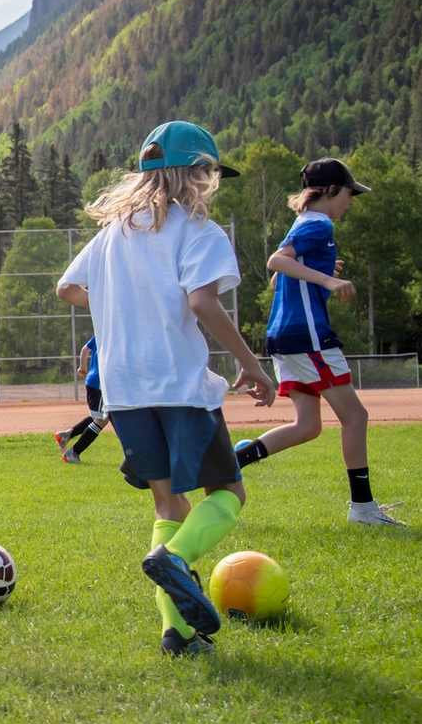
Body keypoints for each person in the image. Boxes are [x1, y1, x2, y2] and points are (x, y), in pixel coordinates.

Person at [55, 120, 275, 657]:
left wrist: (120, 305)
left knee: (166, 506)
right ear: (195, 173)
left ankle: (176, 635)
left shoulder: (112, 234)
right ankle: (176, 563)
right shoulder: (199, 231)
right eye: (210, 173)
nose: (211, 183)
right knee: (227, 493)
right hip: (179, 385)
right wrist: (252, 364)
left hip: (125, 392)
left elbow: (67, 288)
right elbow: (202, 304)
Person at [232, 159, 403, 526]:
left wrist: (322, 271)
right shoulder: (318, 223)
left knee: (308, 425)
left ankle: (231, 463)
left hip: (284, 334)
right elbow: (276, 262)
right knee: (355, 416)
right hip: (307, 335)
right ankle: (363, 509)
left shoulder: (303, 224)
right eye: (348, 193)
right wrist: (328, 282)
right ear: (328, 192)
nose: (351, 202)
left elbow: (280, 280)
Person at [53, 336, 107, 464]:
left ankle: (66, 435)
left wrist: (83, 369)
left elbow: (84, 350)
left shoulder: (101, 332)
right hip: (100, 383)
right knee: (102, 419)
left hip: (94, 381)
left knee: (98, 417)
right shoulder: (113, 334)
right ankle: (73, 453)